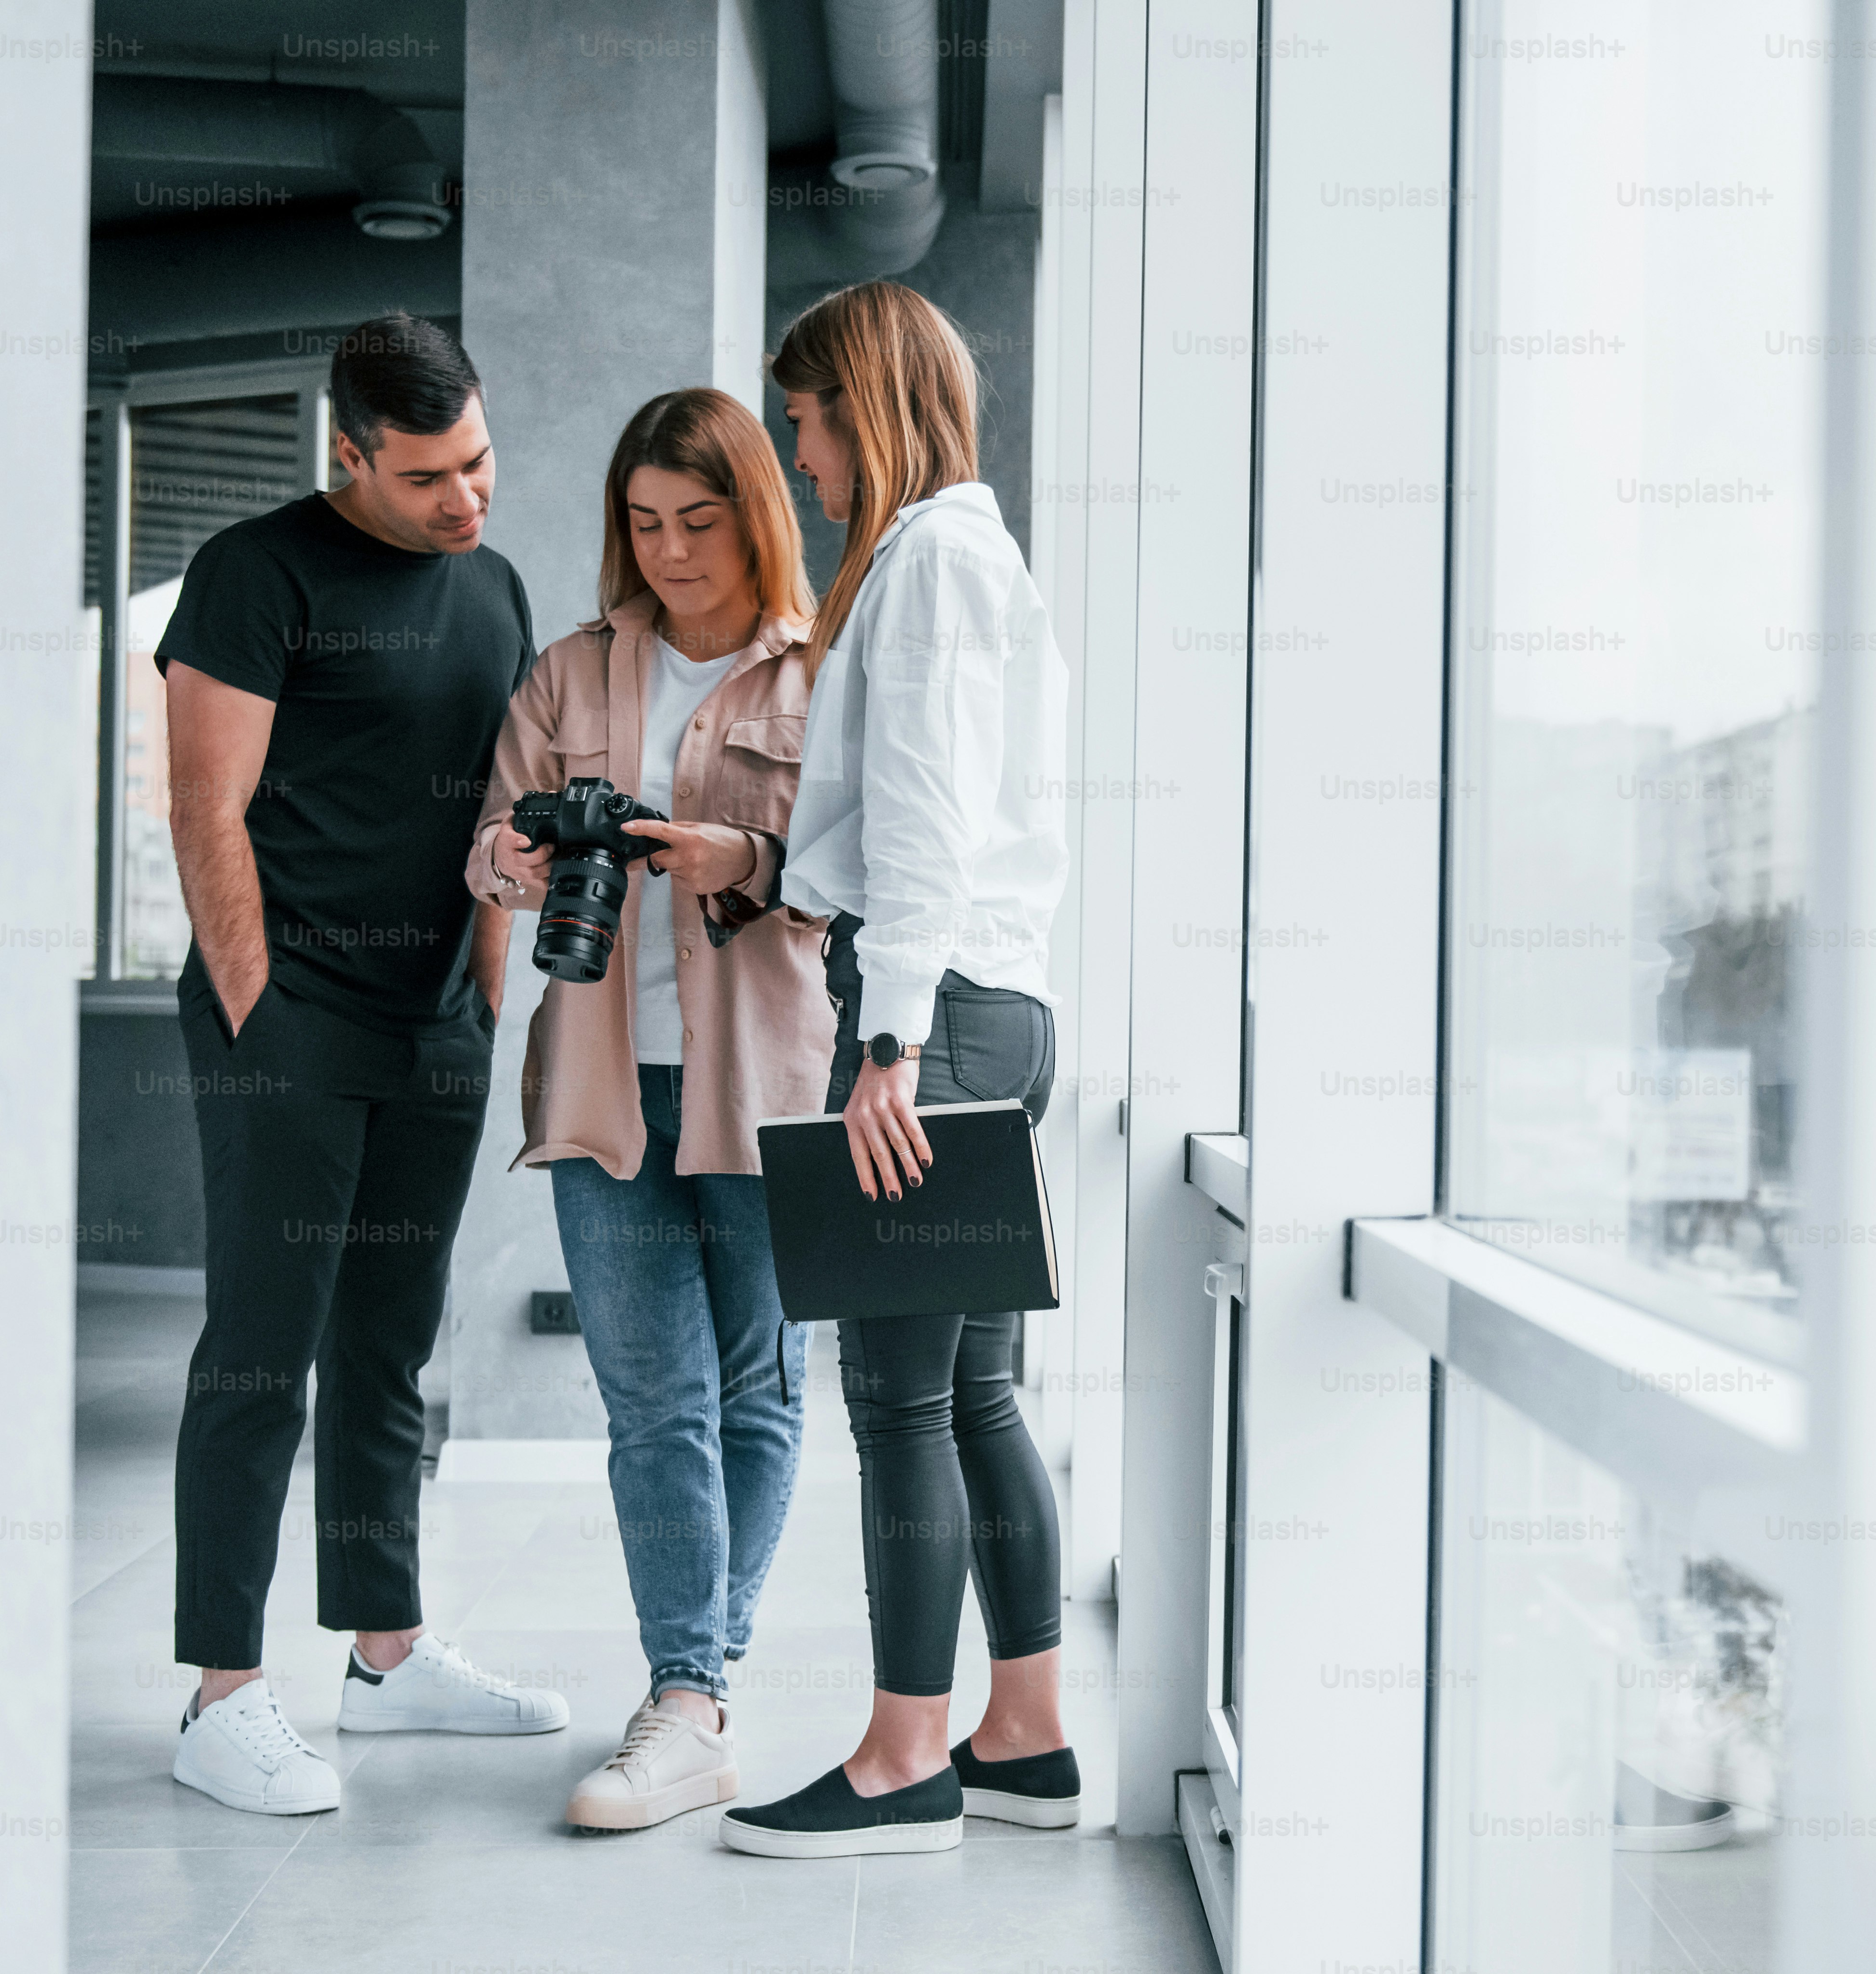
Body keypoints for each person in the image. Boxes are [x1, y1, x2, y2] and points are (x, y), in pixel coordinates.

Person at [159, 314, 569, 1818]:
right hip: (292, 1019)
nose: (468, 499)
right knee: (264, 1347)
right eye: (429, 478)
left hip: (430, 1025)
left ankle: (386, 1655)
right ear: (350, 455)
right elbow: (208, 809)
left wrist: (480, 997)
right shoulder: (253, 573)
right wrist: (262, 1013)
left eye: (479, 460)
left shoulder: (497, 585)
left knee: (393, 1345)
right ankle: (220, 1693)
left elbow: (498, 803)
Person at [718, 283, 1076, 1859]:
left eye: (803, 420)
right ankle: (1026, 1734)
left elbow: (924, 814)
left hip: (937, 1017)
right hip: (1002, 1004)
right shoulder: (973, 556)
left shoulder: (928, 558)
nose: (799, 456)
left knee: (900, 1401)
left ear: (861, 402)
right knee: (979, 1390)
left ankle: (902, 1762)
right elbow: (913, 819)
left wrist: (887, 1044)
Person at [466, 388, 835, 1833]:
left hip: (773, 1079)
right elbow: (490, 849)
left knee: (764, 1382)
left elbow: (859, 865)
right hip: (607, 1078)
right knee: (652, 1402)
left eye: (701, 519)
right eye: (643, 522)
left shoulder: (823, 672)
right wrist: (513, 854)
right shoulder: (570, 673)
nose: (672, 552)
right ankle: (689, 1690)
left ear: (756, 513)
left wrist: (733, 846)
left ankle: (697, 1688)